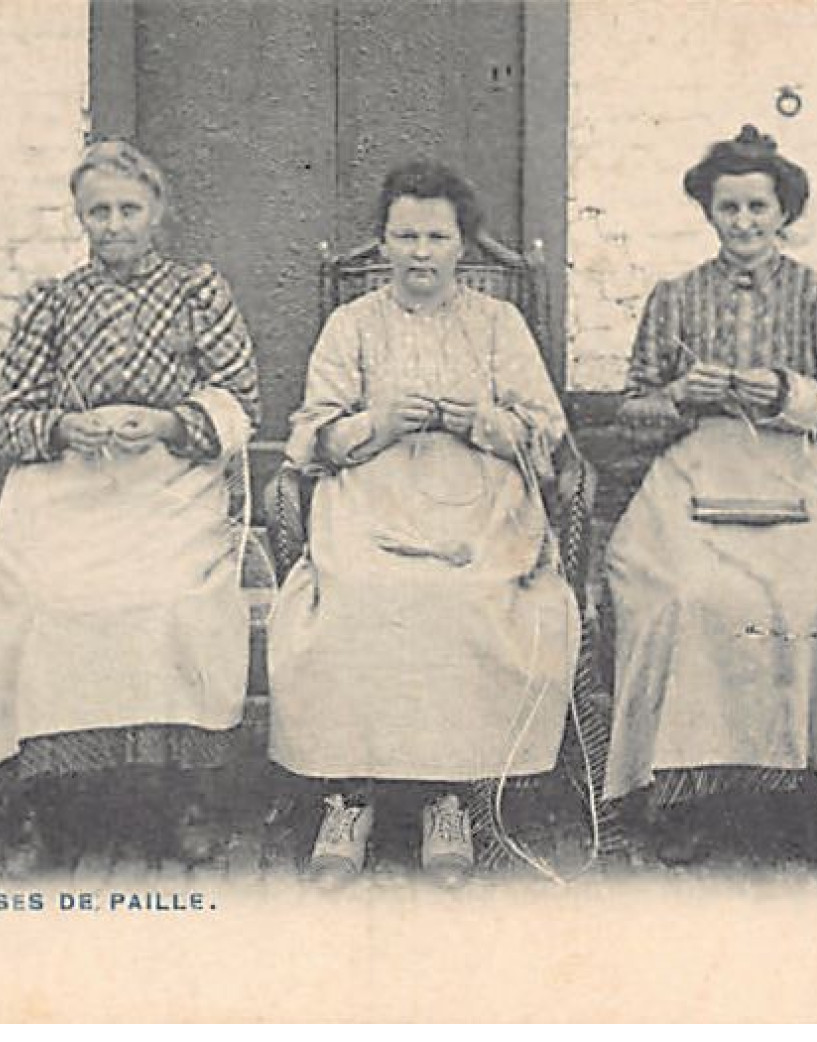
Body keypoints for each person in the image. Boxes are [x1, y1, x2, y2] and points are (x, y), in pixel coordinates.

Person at [266, 160, 579, 886]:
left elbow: (545, 432)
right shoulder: (352, 326)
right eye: (403, 236)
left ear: (461, 246)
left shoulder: (498, 325)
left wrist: (482, 422)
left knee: (463, 596)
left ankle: (448, 795)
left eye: (435, 237)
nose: (418, 253)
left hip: (481, 499)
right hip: (372, 495)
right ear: (381, 244)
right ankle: (350, 796)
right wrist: (371, 424)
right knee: (364, 592)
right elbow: (313, 434)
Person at [604, 126, 817, 871]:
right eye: (727, 209)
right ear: (707, 213)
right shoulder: (673, 300)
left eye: (757, 208)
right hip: (693, 477)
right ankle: (683, 792)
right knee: (682, 595)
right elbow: (633, 414)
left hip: (796, 477)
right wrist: (677, 395)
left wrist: (786, 394)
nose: (742, 224)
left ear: (783, 213)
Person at [0, 139, 261, 873]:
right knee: (41, 599)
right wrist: (66, 426)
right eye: (99, 212)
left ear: (158, 212)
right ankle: (43, 801)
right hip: (72, 485)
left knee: (169, 598)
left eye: (129, 209)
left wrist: (165, 422)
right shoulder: (52, 303)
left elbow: (240, 401)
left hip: (168, 484)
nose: (115, 225)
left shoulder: (198, 292)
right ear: (79, 218)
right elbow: (10, 418)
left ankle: (186, 792)